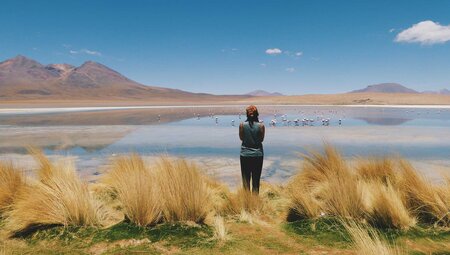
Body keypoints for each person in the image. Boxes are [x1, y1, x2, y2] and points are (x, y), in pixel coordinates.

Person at [239, 105, 265, 194]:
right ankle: (255, 202)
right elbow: (261, 139)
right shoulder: (261, 126)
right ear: (257, 114)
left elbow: (241, 138)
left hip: (245, 155)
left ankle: (247, 202)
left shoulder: (242, 125)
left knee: (245, 180)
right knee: (256, 180)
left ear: (247, 114)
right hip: (258, 155)